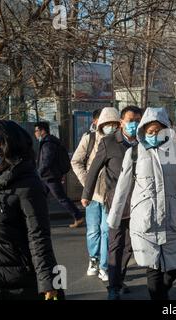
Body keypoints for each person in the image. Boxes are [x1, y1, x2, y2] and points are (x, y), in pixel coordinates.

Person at [107, 107, 176, 300]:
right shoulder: (134, 153)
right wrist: (114, 218)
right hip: (145, 220)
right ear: (143, 131)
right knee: (153, 268)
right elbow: (122, 187)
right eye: (150, 131)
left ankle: (162, 293)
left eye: (158, 130)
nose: (154, 135)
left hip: (173, 217)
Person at [0, 121, 62, 300]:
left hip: (16, 278)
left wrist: (48, 282)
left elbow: (38, 236)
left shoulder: (28, 185)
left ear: (7, 145)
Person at [82, 106, 143, 298]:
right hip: (116, 201)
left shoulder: (144, 143)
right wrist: (86, 194)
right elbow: (94, 169)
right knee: (116, 243)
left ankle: (118, 279)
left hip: (139, 202)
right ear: (122, 122)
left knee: (129, 245)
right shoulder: (109, 142)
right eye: (131, 120)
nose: (134, 124)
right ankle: (114, 287)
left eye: (138, 120)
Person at [71, 107, 120, 281]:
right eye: (107, 124)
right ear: (99, 124)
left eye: (115, 124)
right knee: (93, 230)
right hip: (92, 195)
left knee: (107, 230)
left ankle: (105, 266)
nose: (111, 127)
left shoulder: (121, 141)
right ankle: (94, 259)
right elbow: (76, 161)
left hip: (112, 194)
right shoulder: (89, 139)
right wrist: (87, 184)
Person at [34, 122, 84, 228]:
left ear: (43, 131)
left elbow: (46, 160)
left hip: (49, 176)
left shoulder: (48, 143)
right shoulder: (49, 141)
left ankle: (78, 216)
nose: (35, 133)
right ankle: (39, 220)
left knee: (61, 198)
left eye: (37, 131)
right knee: (39, 198)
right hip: (48, 176)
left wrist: (38, 172)